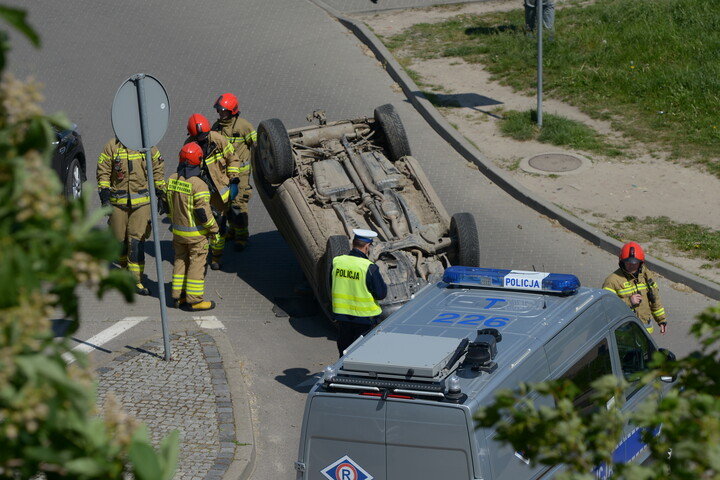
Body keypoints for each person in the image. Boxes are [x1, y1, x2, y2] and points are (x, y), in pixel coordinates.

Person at [97, 137, 165, 296]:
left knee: (136, 241)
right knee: (119, 240)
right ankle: (123, 270)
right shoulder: (111, 146)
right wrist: (105, 196)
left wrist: (161, 192)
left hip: (141, 203)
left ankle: (136, 281)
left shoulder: (146, 145)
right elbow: (103, 170)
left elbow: (157, 168)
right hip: (117, 203)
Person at [166, 142, 218, 311]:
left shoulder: (172, 179)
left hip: (178, 233)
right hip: (197, 235)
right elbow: (203, 213)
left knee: (180, 261)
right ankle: (195, 300)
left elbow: (167, 206)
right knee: (196, 264)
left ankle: (178, 296)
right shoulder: (199, 185)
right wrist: (214, 230)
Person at [185, 113, 238, 270]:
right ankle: (201, 253)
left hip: (218, 191)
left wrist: (234, 180)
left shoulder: (217, 139)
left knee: (219, 225)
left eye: (204, 135)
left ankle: (217, 256)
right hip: (199, 190)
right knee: (202, 223)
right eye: (198, 136)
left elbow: (233, 158)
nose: (202, 138)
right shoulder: (188, 145)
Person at [331, 229, 388, 356]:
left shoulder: (337, 262)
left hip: (342, 316)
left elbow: (332, 284)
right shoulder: (369, 267)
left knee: (344, 351)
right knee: (361, 354)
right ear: (367, 246)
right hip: (364, 319)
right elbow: (381, 294)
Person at [211, 93, 256, 251]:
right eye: (219, 110)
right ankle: (232, 230)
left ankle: (242, 236)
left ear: (232, 111)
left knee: (238, 204)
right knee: (227, 204)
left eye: (222, 110)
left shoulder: (243, 126)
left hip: (240, 175)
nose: (219, 113)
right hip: (222, 175)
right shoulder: (216, 128)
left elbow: (257, 146)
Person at [602, 241, 667, 335]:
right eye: (627, 262)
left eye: (635, 263)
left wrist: (661, 320)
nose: (631, 265)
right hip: (624, 334)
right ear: (621, 262)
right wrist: (629, 301)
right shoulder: (612, 281)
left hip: (645, 333)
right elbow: (606, 306)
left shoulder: (647, 277)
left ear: (641, 263)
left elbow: (654, 299)